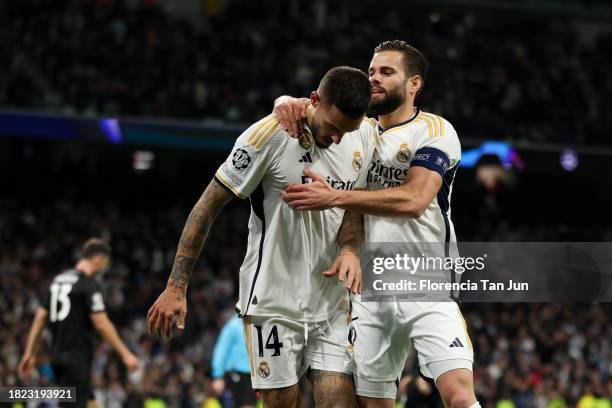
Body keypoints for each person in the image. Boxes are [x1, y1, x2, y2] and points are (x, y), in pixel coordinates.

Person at [146, 66, 377, 408]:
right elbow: (207, 206)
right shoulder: (267, 136)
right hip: (273, 301)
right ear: (314, 100)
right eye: (332, 127)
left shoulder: (366, 136)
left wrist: (348, 248)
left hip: (332, 304)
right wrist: (177, 286)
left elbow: (354, 206)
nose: (338, 139)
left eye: (347, 131)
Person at [274, 40, 480, 408]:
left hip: (427, 283)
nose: (374, 79)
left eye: (386, 72)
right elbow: (319, 111)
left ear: (414, 83)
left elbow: (415, 200)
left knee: (460, 397)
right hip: (369, 291)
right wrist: (286, 102)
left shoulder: (434, 131)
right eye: (371, 71)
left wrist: (335, 197)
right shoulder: (358, 133)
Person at [18, 238, 140, 408]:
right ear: (99, 259)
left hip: (57, 356)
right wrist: (125, 354)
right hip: (76, 358)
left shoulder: (58, 281)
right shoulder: (89, 284)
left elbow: (39, 318)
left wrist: (29, 353)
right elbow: (101, 322)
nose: (103, 268)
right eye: (104, 263)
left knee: (90, 403)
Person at [211, 314, 257, 408]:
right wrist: (218, 376)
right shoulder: (233, 326)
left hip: (253, 375)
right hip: (236, 373)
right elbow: (221, 350)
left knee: (250, 405)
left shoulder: (258, 324)